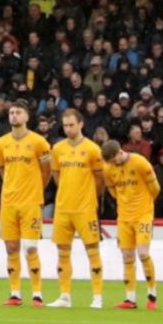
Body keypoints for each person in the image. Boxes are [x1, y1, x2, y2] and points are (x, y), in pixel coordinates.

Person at [0, 103, 52, 306]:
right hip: (8, 201)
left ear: (27, 116)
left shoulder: (39, 142)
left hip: (31, 201)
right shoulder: (1, 143)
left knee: (30, 247)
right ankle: (15, 293)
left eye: (18, 112)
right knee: (11, 247)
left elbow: (47, 171)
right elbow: (1, 168)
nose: (14, 116)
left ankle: (37, 293)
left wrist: (36, 189)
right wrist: (12, 186)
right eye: (11, 113)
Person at [47, 108, 105, 306]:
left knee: (92, 250)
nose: (68, 129)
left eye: (72, 125)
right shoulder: (58, 149)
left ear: (81, 124)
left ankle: (97, 296)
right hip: (63, 208)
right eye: (65, 126)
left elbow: (100, 179)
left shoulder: (93, 149)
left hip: (85, 208)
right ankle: (64, 295)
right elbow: (56, 175)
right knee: (62, 251)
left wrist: (88, 196)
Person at [100, 133, 162, 310]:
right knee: (127, 256)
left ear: (120, 152)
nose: (112, 164)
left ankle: (152, 295)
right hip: (124, 217)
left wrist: (144, 205)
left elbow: (155, 188)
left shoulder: (140, 162)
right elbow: (112, 189)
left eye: (113, 160)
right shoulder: (108, 168)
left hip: (143, 215)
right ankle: (130, 298)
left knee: (143, 253)